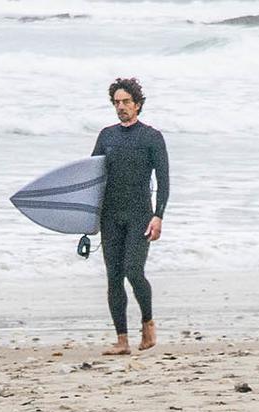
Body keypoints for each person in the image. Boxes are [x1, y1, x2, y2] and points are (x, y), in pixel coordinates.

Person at [91, 77, 168, 356]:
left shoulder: (151, 137)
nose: (120, 106)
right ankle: (122, 340)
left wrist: (158, 216)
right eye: (116, 102)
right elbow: (91, 177)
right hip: (110, 216)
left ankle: (148, 321)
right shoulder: (106, 136)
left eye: (126, 102)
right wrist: (86, 218)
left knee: (133, 271)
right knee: (113, 277)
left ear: (137, 104)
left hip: (139, 215)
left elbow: (164, 180)